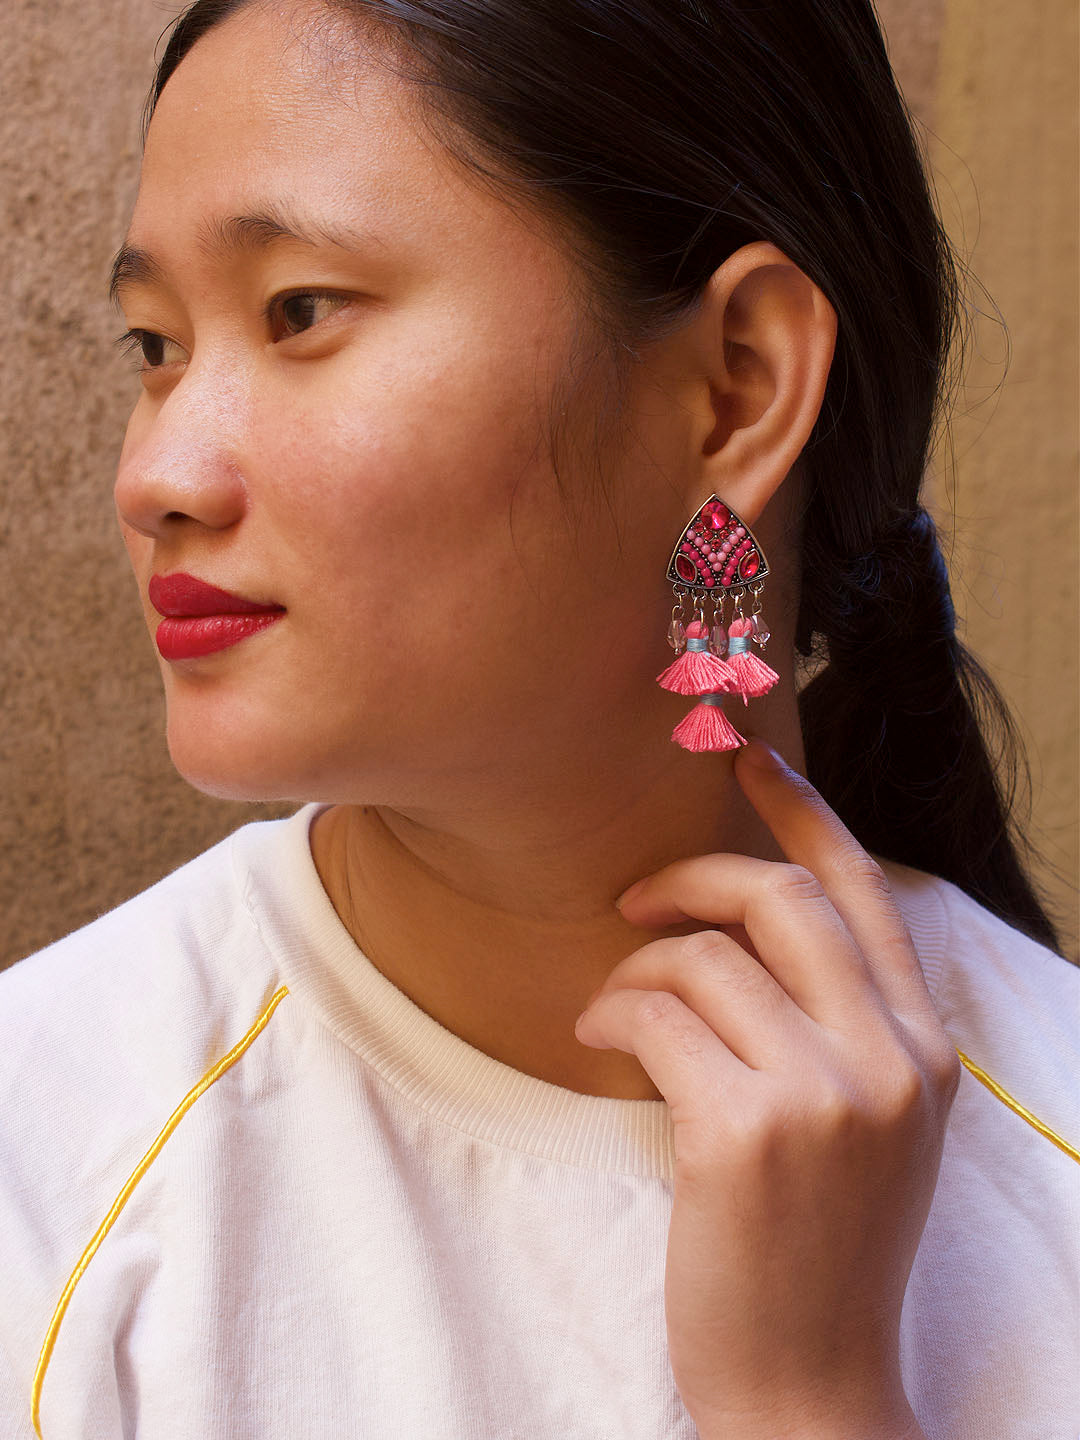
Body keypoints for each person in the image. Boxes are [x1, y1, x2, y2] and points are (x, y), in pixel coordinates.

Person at [1, 0, 1076, 1436]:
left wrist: (809, 1402)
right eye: (155, 343)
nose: (158, 475)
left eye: (299, 310)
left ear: (738, 387)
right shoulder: (48, 1158)